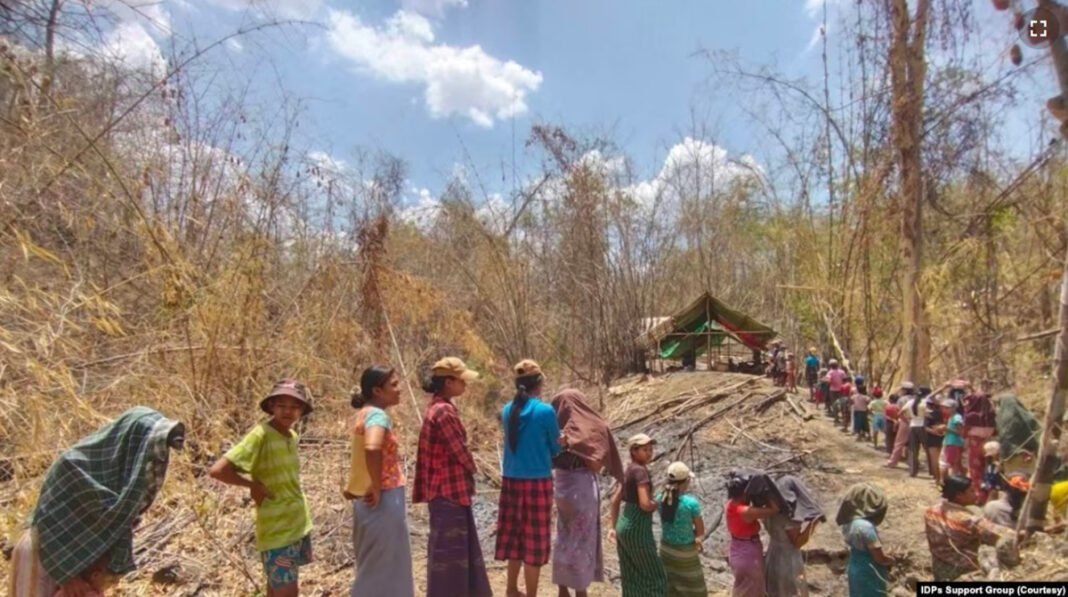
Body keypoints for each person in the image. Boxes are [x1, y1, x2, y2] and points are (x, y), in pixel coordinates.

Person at [9, 407, 184, 597]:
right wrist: (68, 577)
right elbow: (48, 523)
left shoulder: (120, 481)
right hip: (44, 559)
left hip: (82, 568)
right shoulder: (73, 464)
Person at [210, 380, 314, 597]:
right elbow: (219, 470)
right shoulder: (261, 434)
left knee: (276, 588)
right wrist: (252, 486)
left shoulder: (292, 436)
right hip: (276, 529)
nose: (287, 411)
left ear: (302, 410)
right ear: (272, 406)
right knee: (287, 591)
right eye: (281, 405)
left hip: (296, 523)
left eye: (294, 406)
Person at [412, 357, 492, 597]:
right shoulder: (444, 411)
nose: (465, 385)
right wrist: (473, 468)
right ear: (448, 382)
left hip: (445, 491)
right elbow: (459, 450)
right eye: (461, 380)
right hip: (448, 491)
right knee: (451, 555)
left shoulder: (437, 408)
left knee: (453, 553)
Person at [344, 366, 414, 597]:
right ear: (377, 391)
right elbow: (372, 447)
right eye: (393, 385)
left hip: (369, 499)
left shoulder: (363, 413)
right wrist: (375, 485)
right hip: (382, 498)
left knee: (376, 566)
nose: (399, 389)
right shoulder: (377, 415)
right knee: (384, 568)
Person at [496, 360, 562, 597]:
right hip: (537, 483)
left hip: (511, 481)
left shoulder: (507, 410)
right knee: (534, 543)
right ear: (539, 383)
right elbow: (556, 448)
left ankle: (511, 589)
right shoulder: (545, 411)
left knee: (514, 538)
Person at [551, 389, 624, 597]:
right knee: (582, 538)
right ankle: (580, 588)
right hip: (582, 489)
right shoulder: (591, 427)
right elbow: (594, 465)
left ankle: (562, 587)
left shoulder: (555, 431)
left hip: (561, 487)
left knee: (563, 535)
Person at [924, 475, 1015, 581]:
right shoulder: (968, 520)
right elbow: (1002, 534)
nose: (976, 494)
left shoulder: (931, 511)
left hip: (939, 569)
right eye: (972, 491)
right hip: (962, 571)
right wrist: (1020, 534)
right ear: (959, 495)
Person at [609, 433, 667, 596]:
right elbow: (645, 504)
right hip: (637, 527)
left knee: (631, 577)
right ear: (634, 451)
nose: (649, 453)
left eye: (650, 449)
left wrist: (613, 527)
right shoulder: (641, 472)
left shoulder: (628, 469)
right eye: (644, 450)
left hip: (624, 523)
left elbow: (615, 500)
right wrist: (656, 502)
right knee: (656, 576)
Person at [766, 475, 824, 597]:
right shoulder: (790, 517)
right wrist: (813, 524)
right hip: (788, 560)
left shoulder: (769, 508)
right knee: (791, 592)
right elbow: (798, 542)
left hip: (772, 554)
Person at [725, 471, 779, 597]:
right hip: (749, 553)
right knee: (753, 590)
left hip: (736, 549)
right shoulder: (745, 511)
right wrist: (766, 494)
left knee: (742, 588)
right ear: (745, 493)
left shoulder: (730, 505)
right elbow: (774, 509)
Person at [656, 462, 706, 597]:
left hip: (666, 551)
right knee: (696, 591)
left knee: (670, 589)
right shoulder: (691, 503)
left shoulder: (660, 499)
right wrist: (698, 539)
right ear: (685, 481)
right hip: (685, 554)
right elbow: (700, 531)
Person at [837, 483, 892, 597]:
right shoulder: (865, 527)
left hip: (855, 567)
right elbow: (879, 558)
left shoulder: (848, 523)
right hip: (870, 572)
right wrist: (891, 560)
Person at [962, 381, 997, 503]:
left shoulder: (970, 416)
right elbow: (996, 431)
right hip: (990, 446)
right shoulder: (992, 415)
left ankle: (978, 495)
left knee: (975, 470)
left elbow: (964, 431)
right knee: (989, 470)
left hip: (974, 445)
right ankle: (988, 495)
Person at [886, 382, 916, 469]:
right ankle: (913, 463)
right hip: (916, 422)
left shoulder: (901, 400)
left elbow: (899, 412)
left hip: (905, 422)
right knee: (913, 443)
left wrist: (905, 421)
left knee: (899, 443)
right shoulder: (916, 399)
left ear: (905, 390)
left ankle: (892, 462)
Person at [923, 390, 945, 485]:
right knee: (941, 459)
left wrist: (934, 432)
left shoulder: (928, 415)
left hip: (932, 438)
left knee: (934, 460)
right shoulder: (942, 413)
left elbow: (925, 427)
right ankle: (941, 479)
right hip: (942, 437)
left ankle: (937, 479)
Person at [942, 398, 966, 478]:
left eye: (947, 408)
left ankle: (953, 479)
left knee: (952, 463)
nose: (944, 409)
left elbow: (960, 431)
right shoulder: (951, 417)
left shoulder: (956, 417)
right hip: (951, 442)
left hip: (953, 442)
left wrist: (946, 429)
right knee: (956, 463)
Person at [851, 377, 870, 441]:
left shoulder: (854, 396)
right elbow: (868, 402)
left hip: (856, 411)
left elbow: (851, 400)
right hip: (864, 411)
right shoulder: (865, 397)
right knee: (865, 423)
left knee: (857, 423)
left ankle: (859, 436)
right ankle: (868, 435)